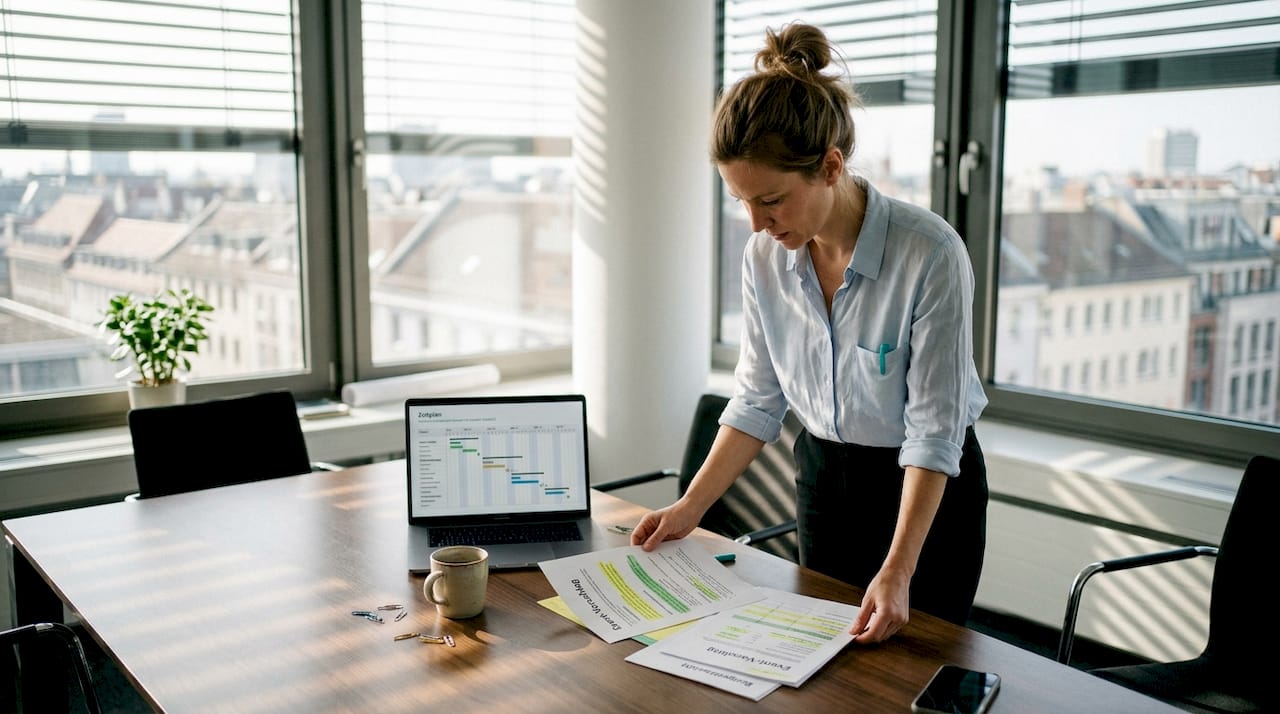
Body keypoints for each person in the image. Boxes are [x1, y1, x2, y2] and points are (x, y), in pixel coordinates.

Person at [630, 22, 989, 645]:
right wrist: (689, 508)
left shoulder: (929, 254)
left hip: (925, 493)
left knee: (917, 666)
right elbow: (757, 401)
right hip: (824, 476)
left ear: (830, 166)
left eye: (771, 201)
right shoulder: (764, 258)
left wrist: (899, 569)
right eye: (742, 202)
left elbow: (935, 432)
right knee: (822, 658)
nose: (757, 223)